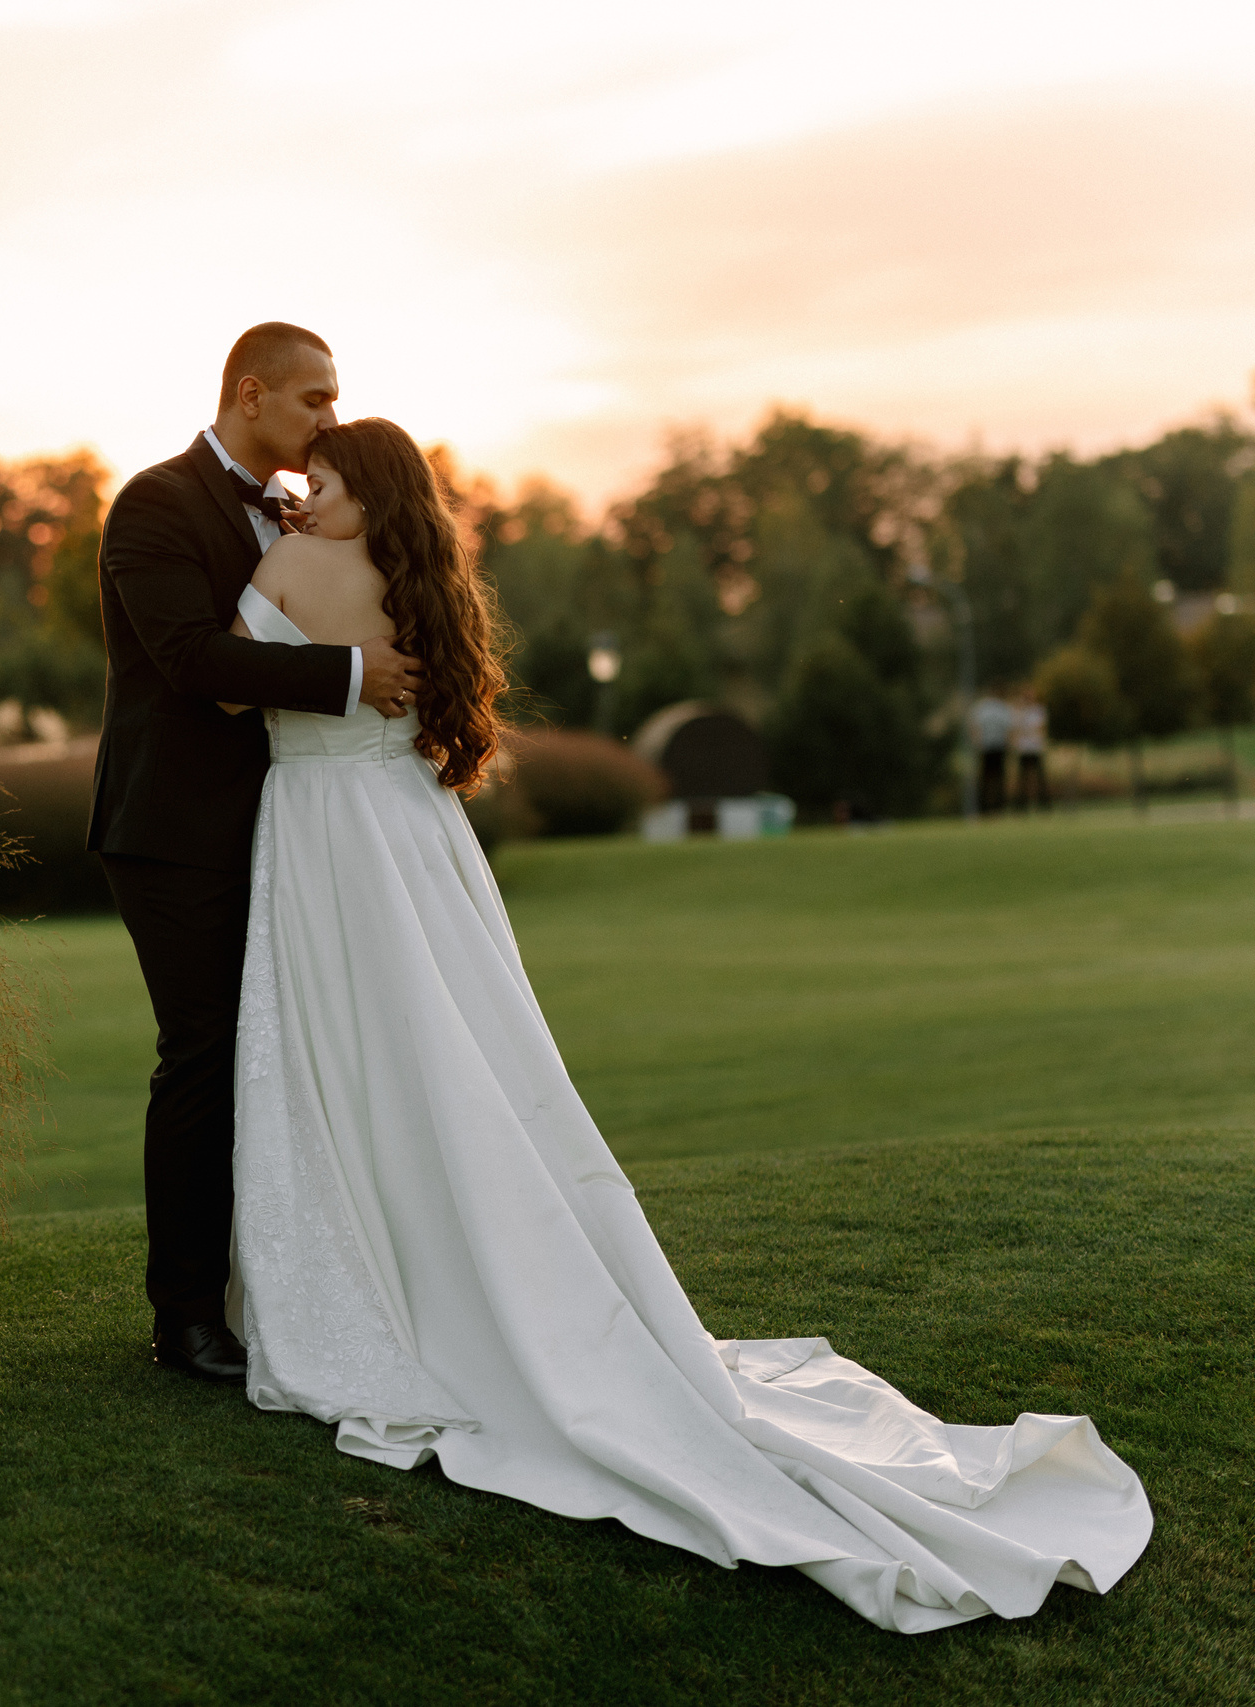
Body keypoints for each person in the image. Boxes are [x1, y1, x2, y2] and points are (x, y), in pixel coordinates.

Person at [224, 416, 1151, 1632]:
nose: (304, 496)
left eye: (325, 480)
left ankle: (384, 1275)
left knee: (349, 1056)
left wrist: (270, 568)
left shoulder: (284, 571)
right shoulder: (420, 582)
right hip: (412, 833)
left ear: (366, 488)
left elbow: (227, 686)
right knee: (456, 1053)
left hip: (325, 836)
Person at [86, 323, 424, 1383]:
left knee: (282, 1050)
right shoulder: (154, 502)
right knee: (202, 1056)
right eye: (314, 400)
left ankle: (279, 1285)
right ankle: (183, 1317)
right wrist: (349, 677)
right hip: (174, 830)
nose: (328, 418)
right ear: (250, 392)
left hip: (283, 826)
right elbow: (187, 659)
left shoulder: (294, 510)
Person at [971, 688, 1017, 815]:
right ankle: (996, 806)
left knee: (987, 779)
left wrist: (977, 743)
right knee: (997, 778)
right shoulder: (1003, 708)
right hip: (997, 747)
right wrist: (1011, 746)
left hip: (986, 747)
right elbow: (1009, 729)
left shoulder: (982, 707)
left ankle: (985, 807)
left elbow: (975, 727)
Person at [1012, 686, 1051, 811]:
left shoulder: (1039, 711)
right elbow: (1016, 730)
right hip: (1024, 748)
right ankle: (1021, 805)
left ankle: (1044, 805)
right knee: (1023, 778)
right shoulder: (1020, 712)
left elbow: (1041, 729)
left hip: (1035, 748)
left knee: (1039, 777)